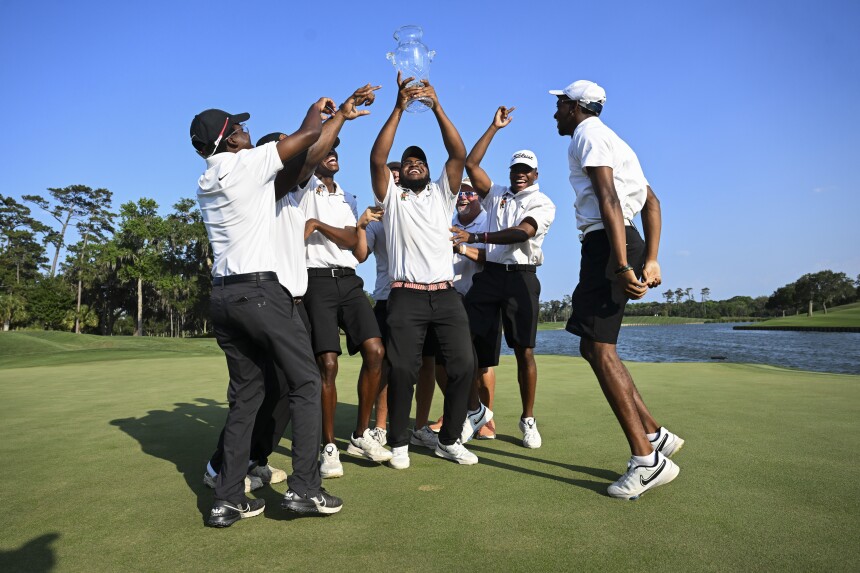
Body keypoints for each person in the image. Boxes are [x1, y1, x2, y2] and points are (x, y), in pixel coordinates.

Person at [190, 101, 343, 527]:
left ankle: (226, 499)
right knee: (307, 381)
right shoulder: (245, 164)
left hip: (222, 298)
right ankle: (305, 489)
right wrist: (320, 111)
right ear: (228, 139)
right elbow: (306, 139)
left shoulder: (206, 177)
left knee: (246, 397)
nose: (244, 131)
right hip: (260, 292)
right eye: (238, 127)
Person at [550, 79, 684, 499]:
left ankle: (647, 461)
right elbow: (653, 202)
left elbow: (607, 196)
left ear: (575, 107)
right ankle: (655, 434)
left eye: (560, 106)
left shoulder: (587, 134)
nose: (555, 113)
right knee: (596, 346)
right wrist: (652, 257)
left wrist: (623, 261)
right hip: (621, 241)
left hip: (608, 243)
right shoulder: (617, 141)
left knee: (598, 349)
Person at [369, 73, 478, 468]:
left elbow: (458, 153)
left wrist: (436, 106)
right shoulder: (393, 198)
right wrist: (398, 108)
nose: (413, 164)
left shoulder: (442, 194)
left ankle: (449, 439)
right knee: (402, 369)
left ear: (429, 171)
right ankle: (398, 443)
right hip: (406, 294)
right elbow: (377, 159)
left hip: (446, 294)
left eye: (420, 161)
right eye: (409, 162)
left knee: (464, 366)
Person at [287, 84, 392, 478]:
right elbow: (313, 145)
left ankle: (360, 434)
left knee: (376, 352)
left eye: (336, 153)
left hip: (349, 281)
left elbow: (352, 242)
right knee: (327, 364)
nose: (331, 155)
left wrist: (318, 225)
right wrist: (338, 113)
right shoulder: (302, 188)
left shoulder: (347, 197)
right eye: (326, 152)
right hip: (314, 282)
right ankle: (328, 447)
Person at [456, 106, 556, 448]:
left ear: (535, 173)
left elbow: (521, 233)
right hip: (491, 276)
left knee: (524, 351)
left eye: (525, 170)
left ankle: (528, 419)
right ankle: (475, 411)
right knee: (463, 344)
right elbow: (471, 165)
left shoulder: (543, 203)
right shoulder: (497, 193)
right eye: (515, 169)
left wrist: (477, 238)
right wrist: (493, 127)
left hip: (521, 279)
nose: (519, 174)